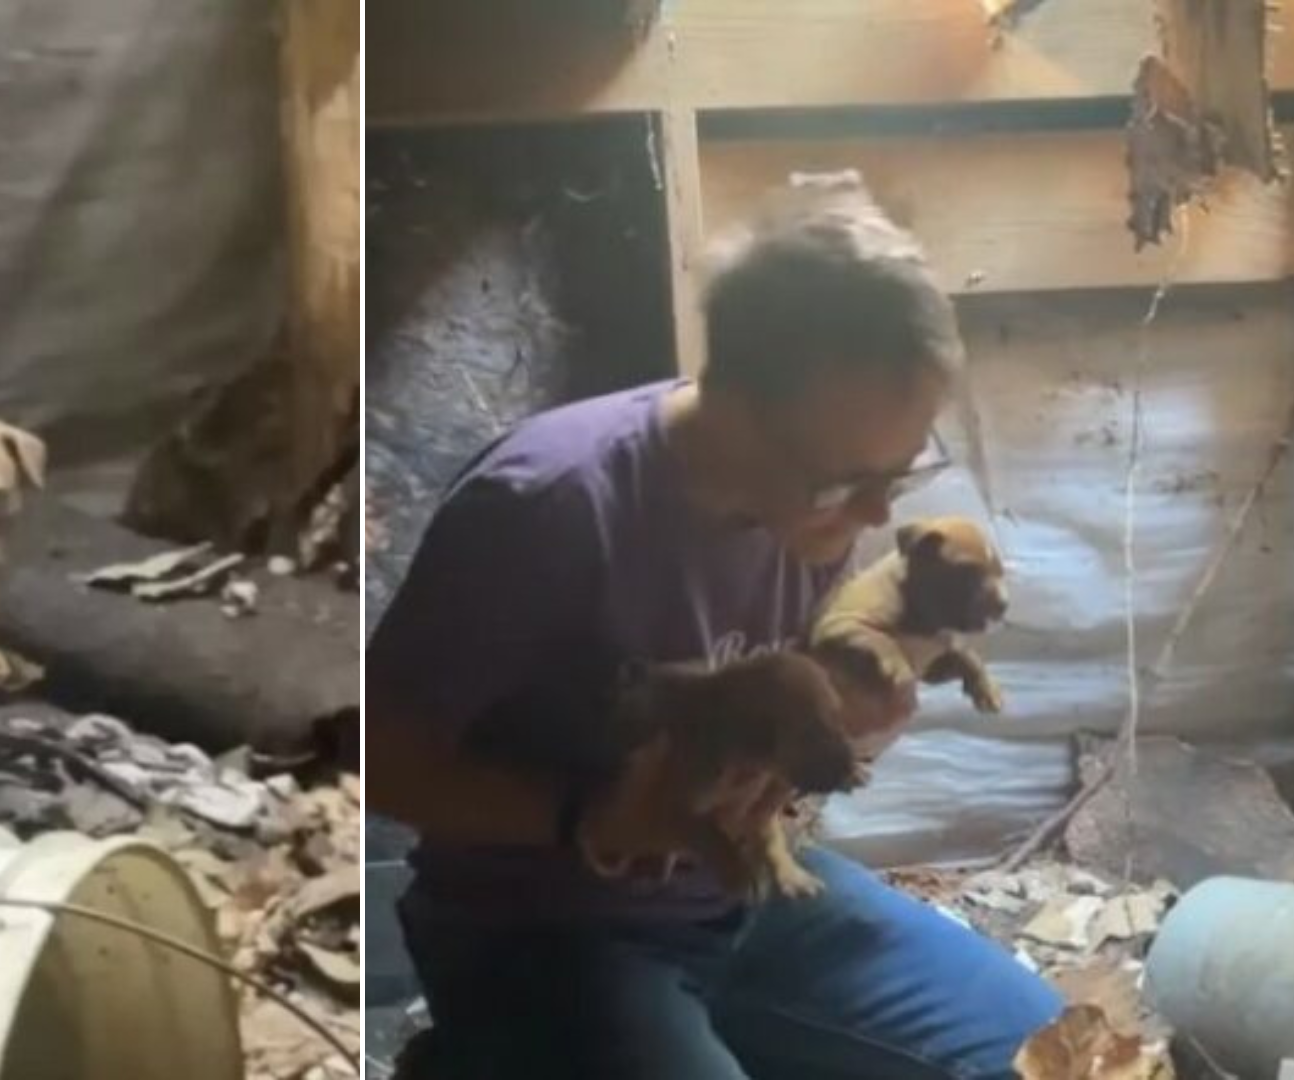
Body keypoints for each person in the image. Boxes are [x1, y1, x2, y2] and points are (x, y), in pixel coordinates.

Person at [368, 172, 1061, 1080]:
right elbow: (370, 756)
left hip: (748, 896)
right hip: (544, 925)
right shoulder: (546, 507)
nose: (873, 519)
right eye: (848, 482)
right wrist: (588, 816)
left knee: (1052, 1055)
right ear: (732, 403)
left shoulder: (811, 508)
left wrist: (843, 721)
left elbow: (771, 711)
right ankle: (483, 1054)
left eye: (904, 472)